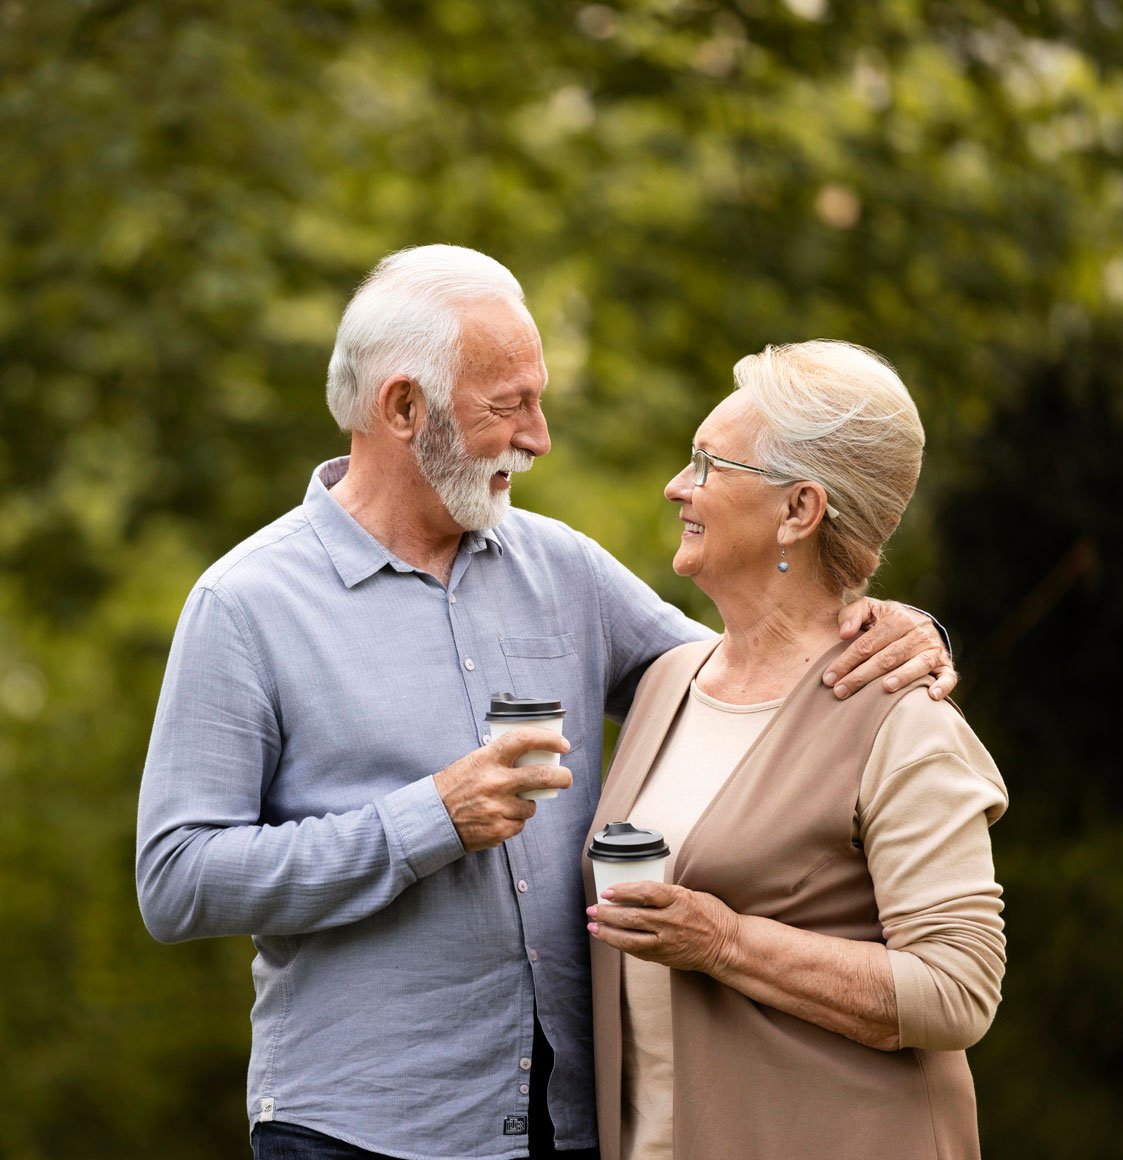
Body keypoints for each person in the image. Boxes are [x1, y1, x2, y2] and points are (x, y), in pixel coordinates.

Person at [135, 247, 956, 1160]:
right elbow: (175, 879)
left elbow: (746, 678)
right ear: (404, 408)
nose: (540, 437)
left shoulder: (563, 568)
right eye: (508, 406)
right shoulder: (245, 605)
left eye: (540, 398)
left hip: (569, 1125)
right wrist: (425, 821)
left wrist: (887, 622)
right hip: (360, 1131)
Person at [585, 340, 1006, 1160]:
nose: (678, 485)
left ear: (799, 511)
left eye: (709, 463)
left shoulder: (902, 720)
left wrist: (727, 943)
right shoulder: (669, 680)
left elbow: (958, 990)